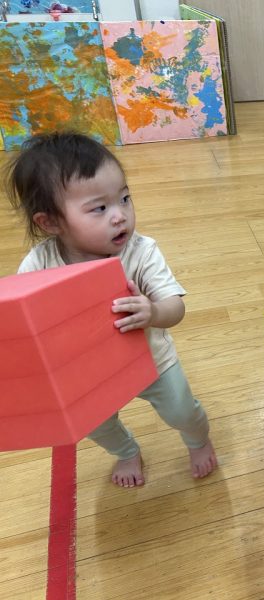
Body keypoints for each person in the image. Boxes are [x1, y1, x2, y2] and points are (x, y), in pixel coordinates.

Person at [6, 132, 217, 488]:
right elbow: (21, 322)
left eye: (124, 198)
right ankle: (125, 451)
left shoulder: (141, 251)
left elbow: (175, 307)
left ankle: (198, 441)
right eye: (100, 208)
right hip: (84, 373)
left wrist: (152, 311)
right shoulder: (39, 263)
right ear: (50, 223)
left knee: (182, 410)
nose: (120, 216)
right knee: (95, 425)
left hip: (153, 361)